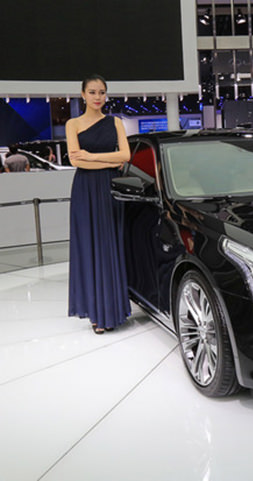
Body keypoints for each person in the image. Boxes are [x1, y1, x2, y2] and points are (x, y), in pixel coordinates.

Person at [66, 74, 131, 334]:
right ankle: (96, 312)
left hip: (109, 189)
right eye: (92, 92)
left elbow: (125, 156)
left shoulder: (115, 122)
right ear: (83, 94)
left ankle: (113, 311)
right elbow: (76, 161)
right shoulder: (73, 124)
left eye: (101, 92)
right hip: (85, 190)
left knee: (109, 245)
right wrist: (109, 161)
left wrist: (92, 157)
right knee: (89, 246)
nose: (97, 97)